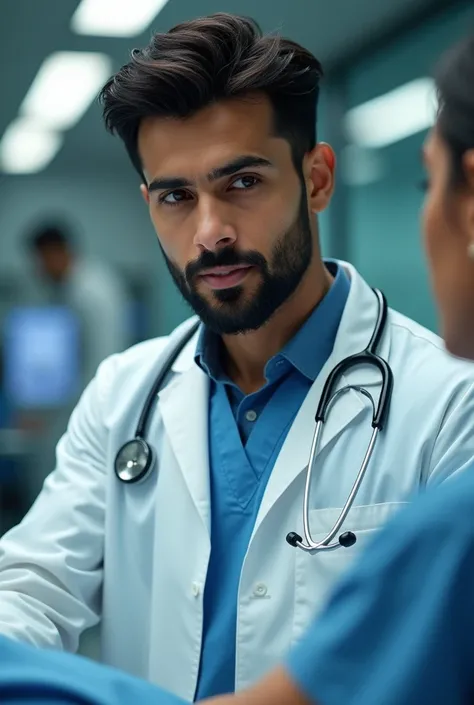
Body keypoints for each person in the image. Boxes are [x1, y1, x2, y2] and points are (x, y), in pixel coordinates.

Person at [0, 12, 474, 704]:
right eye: (175, 197)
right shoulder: (123, 397)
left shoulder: (447, 403)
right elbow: (30, 589)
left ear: (316, 179)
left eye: (242, 183)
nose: (210, 231)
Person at [27, 222, 129, 384]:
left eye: (41, 260)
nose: (40, 269)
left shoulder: (92, 290)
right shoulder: (72, 287)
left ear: (56, 252)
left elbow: (103, 354)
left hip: (99, 386)